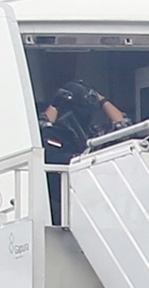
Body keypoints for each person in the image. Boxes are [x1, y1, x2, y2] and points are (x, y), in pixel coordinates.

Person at [39, 80, 130, 221]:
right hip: (60, 203)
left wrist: (102, 100)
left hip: (92, 202)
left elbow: (125, 129)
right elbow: (40, 131)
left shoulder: (93, 134)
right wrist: (55, 105)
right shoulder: (52, 134)